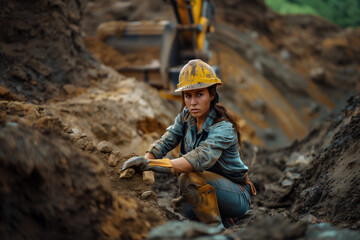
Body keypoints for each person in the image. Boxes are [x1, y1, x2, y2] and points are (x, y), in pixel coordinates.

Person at [121, 59, 256, 229]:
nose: (192, 102)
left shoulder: (223, 129)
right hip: (208, 187)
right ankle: (219, 217)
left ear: (212, 94)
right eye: (188, 95)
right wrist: (146, 160)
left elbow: (198, 159)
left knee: (188, 179)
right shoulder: (186, 117)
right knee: (183, 207)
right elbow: (166, 141)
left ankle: (217, 231)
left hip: (237, 194)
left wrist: (151, 165)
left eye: (199, 94)